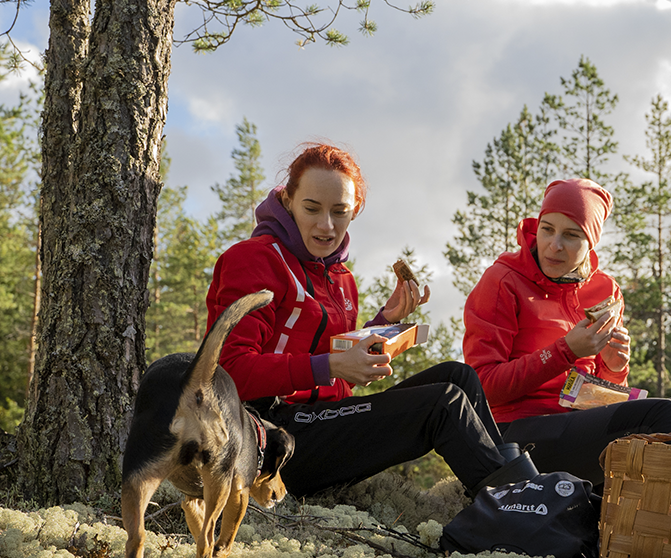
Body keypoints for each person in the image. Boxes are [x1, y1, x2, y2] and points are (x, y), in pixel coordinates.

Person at [205, 142, 530, 499]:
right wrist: (329, 365)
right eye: (311, 208)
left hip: (317, 423)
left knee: (459, 376)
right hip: (264, 436)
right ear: (287, 202)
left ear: (354, 211)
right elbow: (228, 372)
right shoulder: (254, 260)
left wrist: (383, 322)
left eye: (340, 211)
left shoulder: (341, 278)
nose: (326, 225)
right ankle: (514, 507)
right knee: (442, 403)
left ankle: (515, 488)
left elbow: (338, 380)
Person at [462, 178, 671, 490]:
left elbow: (601, 395)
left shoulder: (604, 289)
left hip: (577, 423)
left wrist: (613, 366)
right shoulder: (502, 281)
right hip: (513, 434)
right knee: (663, 413)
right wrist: (564, 351)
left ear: (590, 242)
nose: (554, 244)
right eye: (547, 229)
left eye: (571, 235)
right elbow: (481, 388)